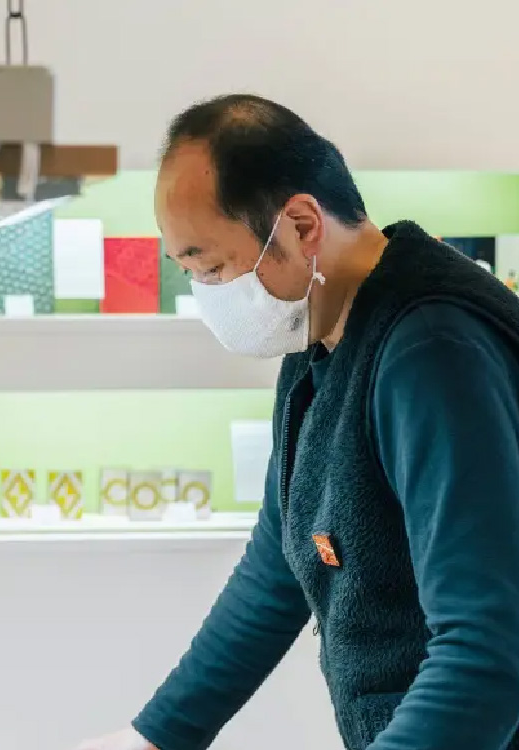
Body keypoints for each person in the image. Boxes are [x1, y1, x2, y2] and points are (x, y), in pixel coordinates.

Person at [77, 94, 519, 750]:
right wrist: (155, 735)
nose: (211, 295)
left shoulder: (430, 350)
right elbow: (276, 566)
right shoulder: (320, 333)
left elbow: (489, 652)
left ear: (303, 225)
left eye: (216, 267)